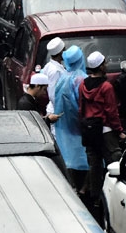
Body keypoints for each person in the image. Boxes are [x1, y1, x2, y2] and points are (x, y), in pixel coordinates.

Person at [79, 51, 125, 209]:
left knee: (94, 164)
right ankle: (114, 195)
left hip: (89, 129)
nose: (106, 65)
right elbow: (111, 111)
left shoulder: (83, 85)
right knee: (114, 162)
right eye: (104, 63)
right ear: (100, 66)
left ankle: (94, 197)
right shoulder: (106, 87)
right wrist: (119, 130)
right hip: (105, 131)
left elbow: (81, 108)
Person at [51, 45, 88, 194]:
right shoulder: (82, 80)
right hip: (79, 125)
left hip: (65, 125)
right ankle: (85, 187)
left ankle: (72, 183)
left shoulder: (62, 79)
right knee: (85, 154)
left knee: (69, 153)